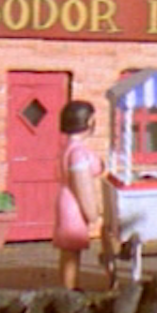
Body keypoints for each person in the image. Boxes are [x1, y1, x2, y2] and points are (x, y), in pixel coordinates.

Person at [52, 99, 103, 290]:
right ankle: (70, 288)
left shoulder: (67, 148)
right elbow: (83, 186)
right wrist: (92, 212)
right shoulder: (78, 153)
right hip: (74, 204)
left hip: (65, 199)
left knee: (69, 251)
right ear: (88, 122)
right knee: (72, 250)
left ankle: (69, 286)